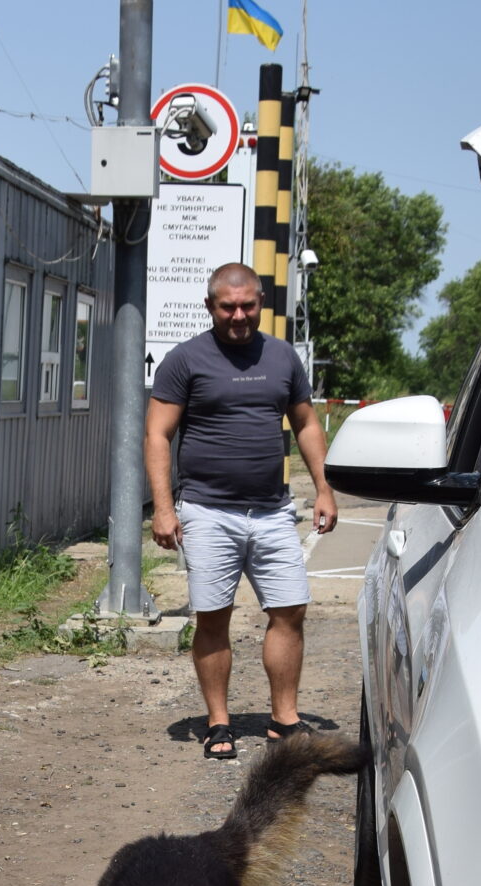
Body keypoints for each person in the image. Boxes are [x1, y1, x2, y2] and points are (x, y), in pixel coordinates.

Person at [147, 263, 337, 761]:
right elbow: (157, 434)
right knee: (213, 617)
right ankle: (218, 723)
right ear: (210, 306)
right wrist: (164, 510)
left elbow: (307, 424)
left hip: (272, 511)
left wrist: (324, 488)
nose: (238, 315)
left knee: (290, 610)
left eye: (247, 305)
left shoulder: (281, 356)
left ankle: (285, 719)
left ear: (260, 303)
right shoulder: (185, 360)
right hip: (207, 511)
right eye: (227, 306)